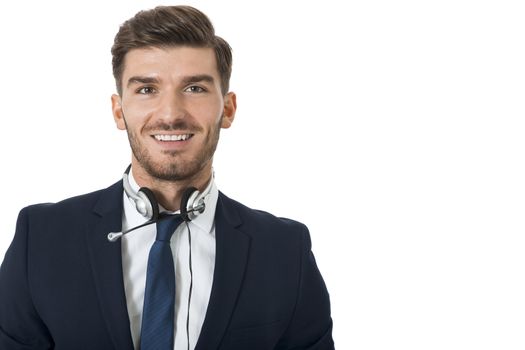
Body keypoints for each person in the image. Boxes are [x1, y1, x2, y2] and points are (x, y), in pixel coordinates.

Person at [0, 5, 334, 350]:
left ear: (228, 109)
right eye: (147, 89)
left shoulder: (285, 250)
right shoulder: (39, 237)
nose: (171, 114)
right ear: (119, 110)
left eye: (195, 89)